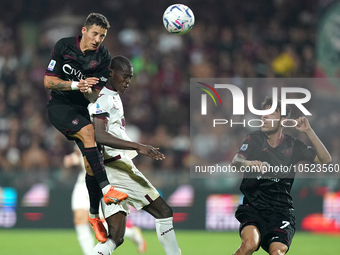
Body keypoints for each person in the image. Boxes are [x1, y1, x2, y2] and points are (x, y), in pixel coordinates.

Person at [44, 13, 127, 243]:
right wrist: (74, 85)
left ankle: (93, 216)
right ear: (84, 30)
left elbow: (94, 96)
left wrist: (89, 90)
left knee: (92, 161)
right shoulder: (64, 46)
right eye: (94, 34)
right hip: (60, 105)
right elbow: (48, 81)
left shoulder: (103, 58)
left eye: (102, 35)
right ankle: (108, 189)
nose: (98, 39)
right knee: (90, 132)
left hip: (82, 110)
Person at [88, 55, 181, 254]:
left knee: (116, 236)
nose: (128, 82)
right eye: (125, 77)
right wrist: (138, 146)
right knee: (164, 212)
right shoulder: (105, 99)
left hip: (106, 171)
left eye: (130, 78)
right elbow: (100, 135)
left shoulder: (112, 95)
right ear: (111, 73)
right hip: (116, 168)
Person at [231, 97, 332, 255]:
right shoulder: (254, 139)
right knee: (250, 244)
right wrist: (247, 163)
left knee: (277, 252)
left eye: (270, 113)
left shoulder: (293, 145)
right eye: (263, 113)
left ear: (282, 121)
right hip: (254, 207)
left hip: (281, 211)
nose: (264, 116)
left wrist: (308, 131)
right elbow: (235, 161)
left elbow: (326, 160)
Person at [63, 148, 147, 255]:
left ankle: (132, 233)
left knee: (100, 224)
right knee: (79, 219)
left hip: (102, 184)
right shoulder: (80, 132)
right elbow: (78, 151)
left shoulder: (103, 134)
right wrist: (73, 158)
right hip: (83, 183)